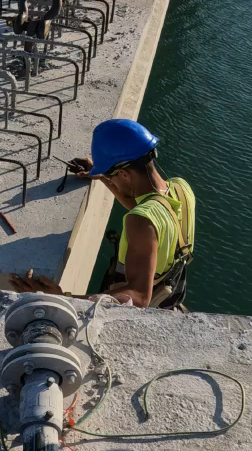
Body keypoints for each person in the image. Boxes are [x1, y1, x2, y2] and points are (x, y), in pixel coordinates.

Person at [12, 118, 196, 309]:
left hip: (143, 315)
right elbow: (149, 207)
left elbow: (139, 298)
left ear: (124, 174)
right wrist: (101, 175)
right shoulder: (181, 189)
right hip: (172, 299)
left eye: (111, 175)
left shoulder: (141, 221)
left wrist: (62, 299)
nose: (111, 180)